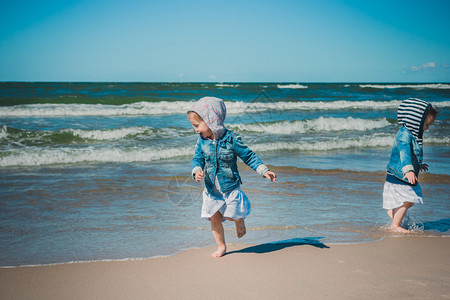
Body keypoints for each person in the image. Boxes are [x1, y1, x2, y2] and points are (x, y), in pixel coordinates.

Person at [187, 96, 277, 257]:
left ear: (211, 120)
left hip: (230, 187)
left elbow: (248, 156)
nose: (195, 129)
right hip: (211, 189)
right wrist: (197, 170)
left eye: (197, 125)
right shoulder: (201, 142)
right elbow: (197, 158)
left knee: (230, 216)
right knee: (214, 218)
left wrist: (264, 170)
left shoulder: (232, 139)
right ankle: (221, 246)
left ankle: (239, 220)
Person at [383, 98, 437, 233]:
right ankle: (395, 226)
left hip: (403, 174)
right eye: (426, 124)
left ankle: (393, 214)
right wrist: (409, 170)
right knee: (408, 200)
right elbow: (404, 154)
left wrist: (418, 165)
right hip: (400, 174)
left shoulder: (412, 134)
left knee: (410, 200)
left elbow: (412, 155)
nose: (427, 128)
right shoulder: (404, 135)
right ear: (416, 121)